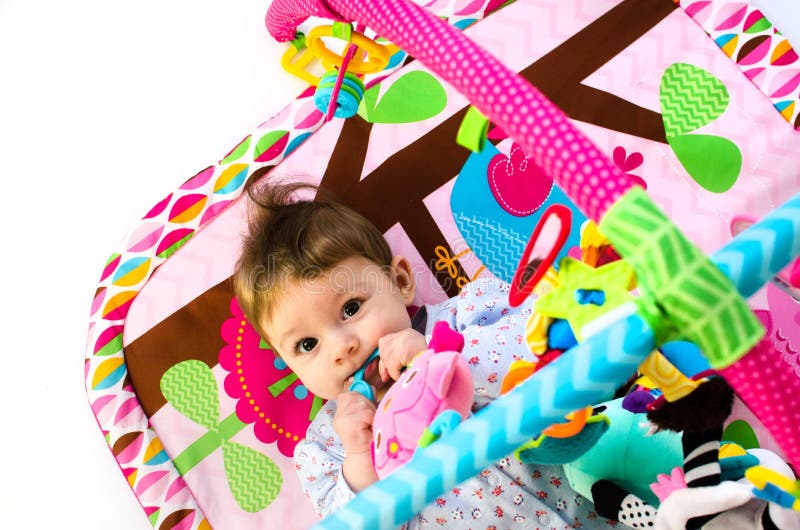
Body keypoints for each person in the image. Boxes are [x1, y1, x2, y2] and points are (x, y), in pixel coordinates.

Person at [234, 181, 617, 529]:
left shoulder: (470, 314)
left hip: (614, 504)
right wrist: (361, 463)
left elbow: (552, 350)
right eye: (307, 345)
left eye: (351, 308)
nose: (341, 348)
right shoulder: (326, 450)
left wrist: (443, 357)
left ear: (400, 281)